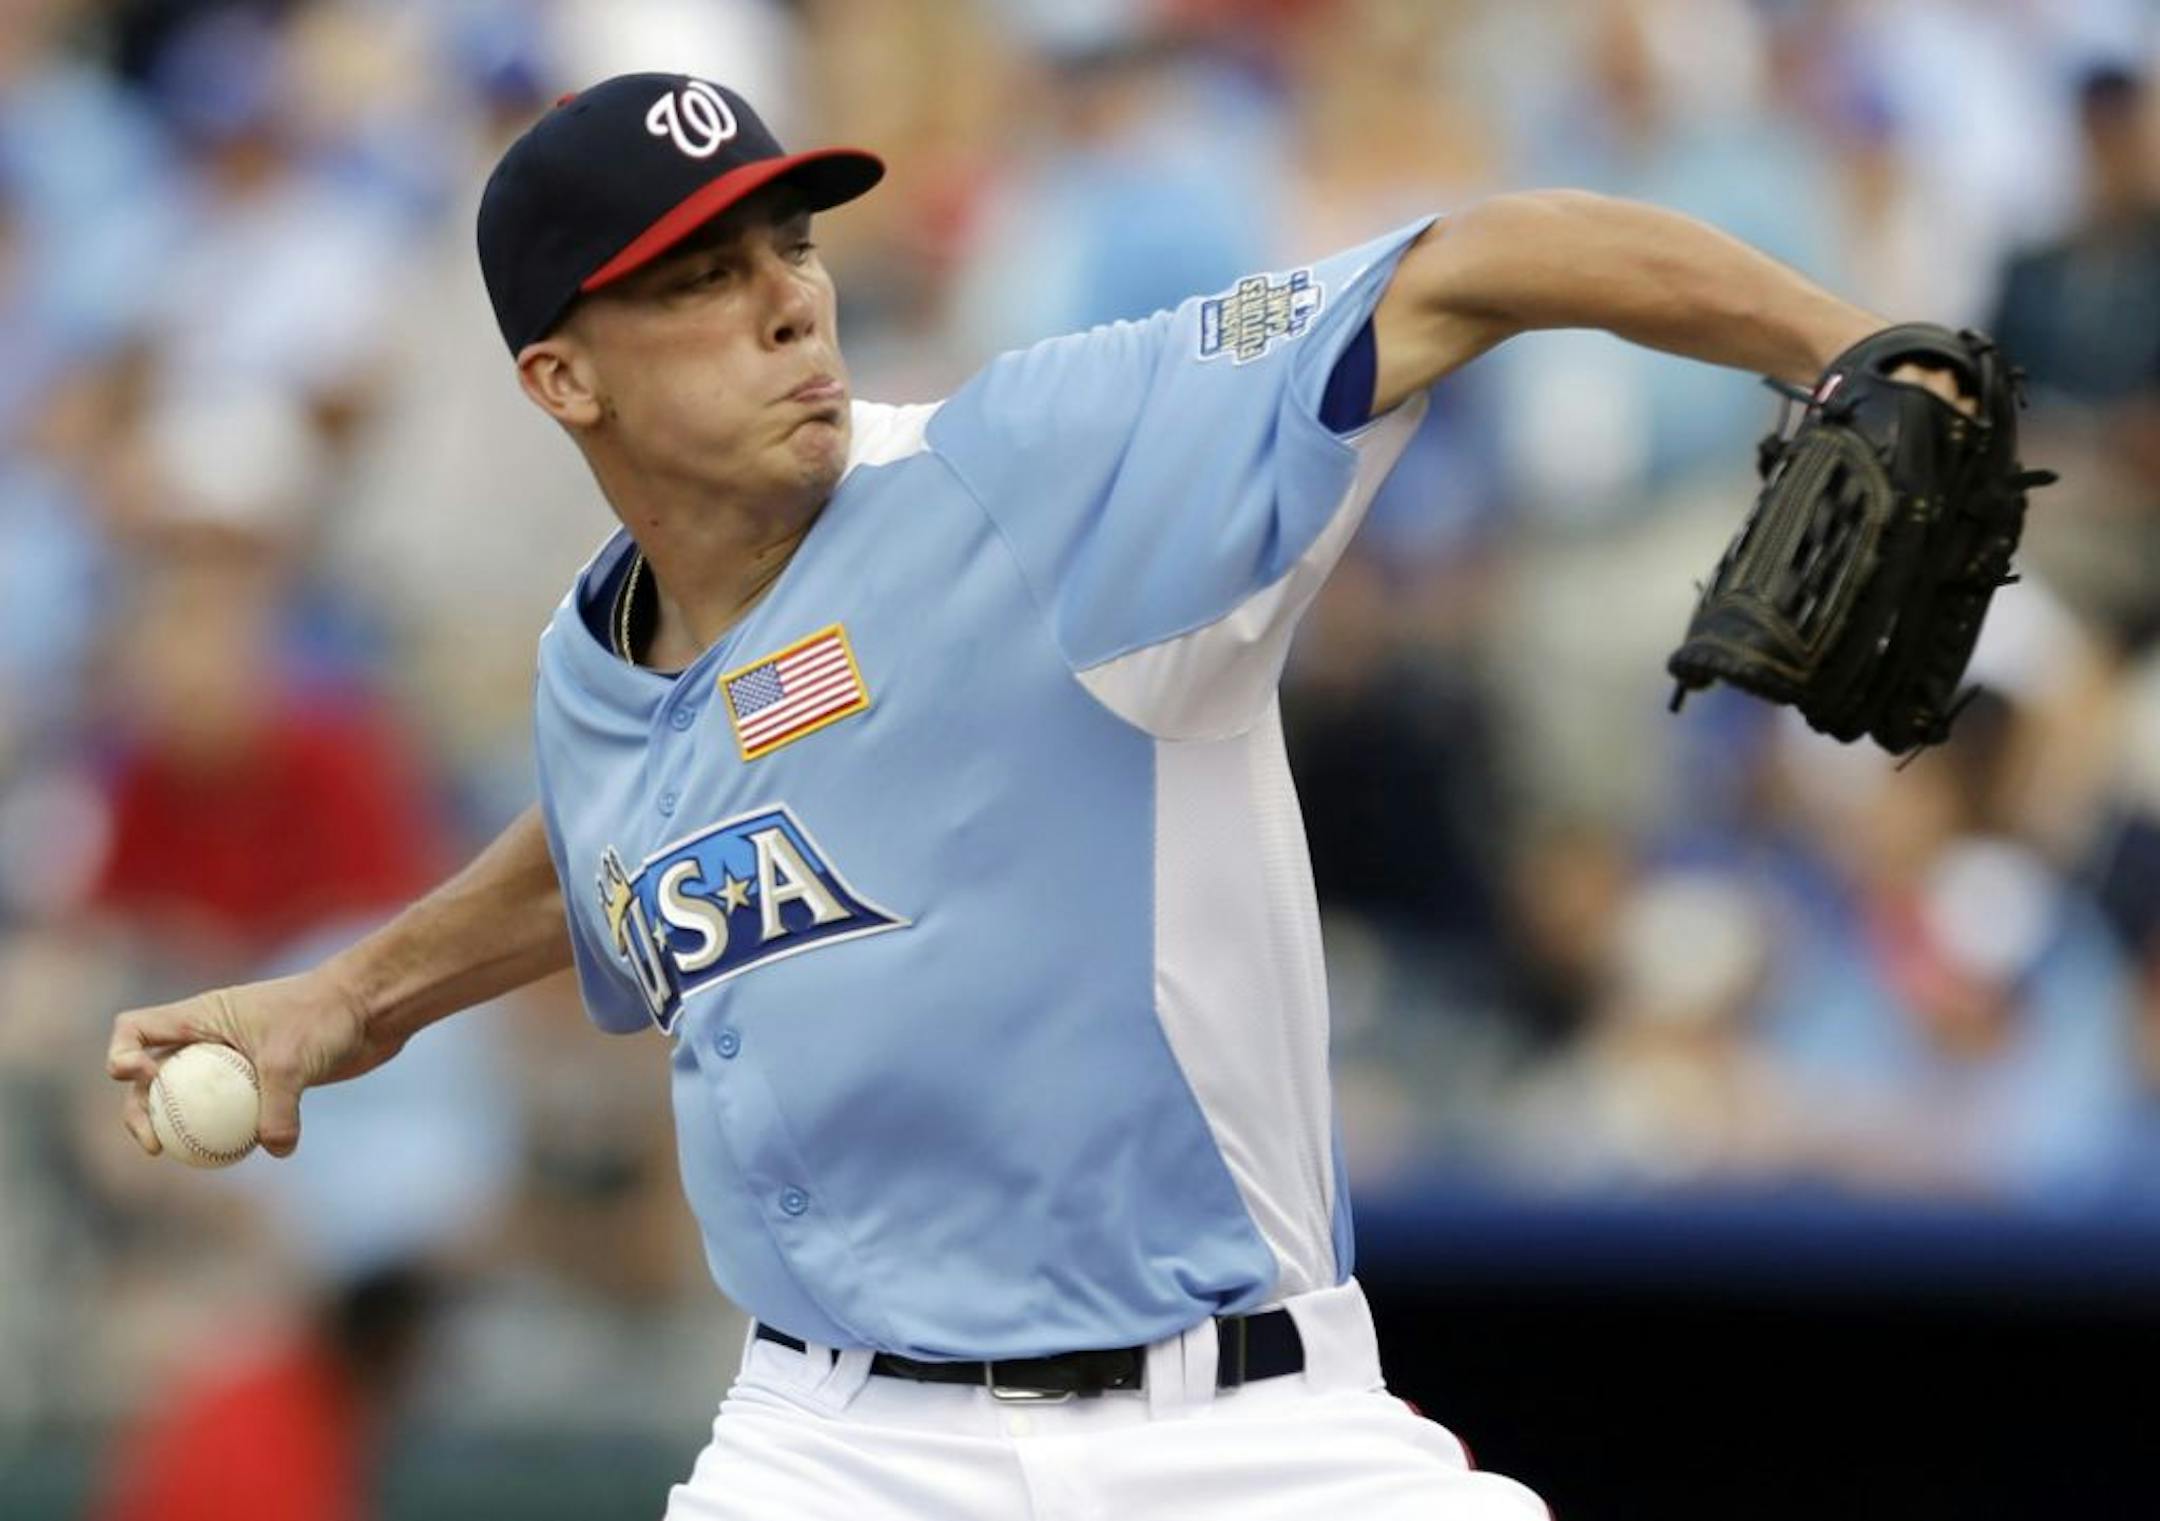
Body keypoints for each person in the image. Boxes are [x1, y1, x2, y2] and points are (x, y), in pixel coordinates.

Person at [106, 72, 1970, 1519]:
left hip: (1237, 1431)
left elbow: (1473, 263)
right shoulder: (594, 667)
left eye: (791, 250)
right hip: (834, 1445)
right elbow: (624, 833)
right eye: (702, 279)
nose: (787, 306)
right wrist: (347, 999)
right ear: (559, 377)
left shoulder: (1036, 477)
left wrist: (1842, 343)